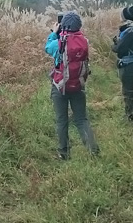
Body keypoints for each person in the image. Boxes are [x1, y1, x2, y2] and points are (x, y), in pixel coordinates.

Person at [45, 11, 99, 160]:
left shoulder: (58, 42)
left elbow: (47, 47)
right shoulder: (84, 42)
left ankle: (64, 153)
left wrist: (54, 33)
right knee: (82, 119)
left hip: (60, 86)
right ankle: (93, 151)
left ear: (64, 26)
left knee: (62, 120)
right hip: (78, 85)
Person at [112, 6, 133, 121]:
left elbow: (118, 48)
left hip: (128, 65)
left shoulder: (130, 31)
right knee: (128, 91)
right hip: (132, 64)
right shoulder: (132, 29)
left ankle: (131, 117)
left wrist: (114, 45)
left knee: (128, 92)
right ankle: (131, 114)